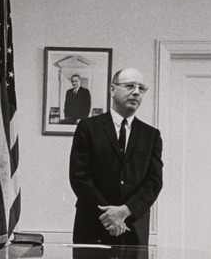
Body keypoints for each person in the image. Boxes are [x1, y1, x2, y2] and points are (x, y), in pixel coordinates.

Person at [69, 68, 163, 245]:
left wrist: (125, 211)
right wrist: (110, 216)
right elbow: (79, 177)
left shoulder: (151, 135)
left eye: (141, 88)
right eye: (130, 86)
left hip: (133, 227)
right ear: (113, 89)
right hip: (93, 225)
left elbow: (154, 182)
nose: (136, 92)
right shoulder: (88, 127)